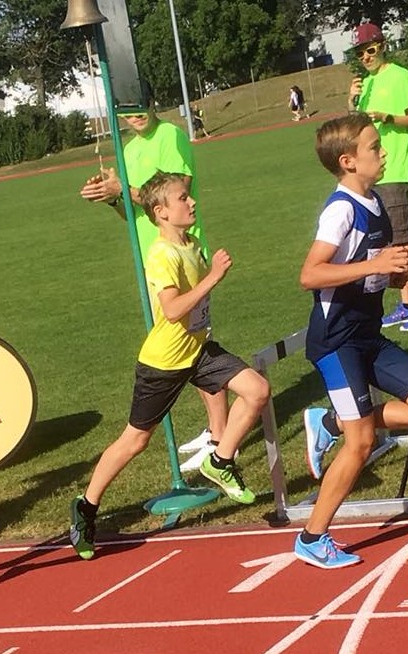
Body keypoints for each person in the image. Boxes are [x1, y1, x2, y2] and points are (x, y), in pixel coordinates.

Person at [69, 172, 270, 560]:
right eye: (183, 199)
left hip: (198, 352)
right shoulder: (162, 254)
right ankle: (86, 506)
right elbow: (174, 310)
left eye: (190, 197)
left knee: (257, 390)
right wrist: (213, 278)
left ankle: (220, 461)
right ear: (161, 212)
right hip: (163, 362)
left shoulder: (193, 244)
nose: (192, 203)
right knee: (136, 440)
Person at [297, 113, 408, 569]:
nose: (383, 154)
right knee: (361, 442)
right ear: (348, 161)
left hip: (367, 335)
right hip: (335, 341)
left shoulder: (376, 201)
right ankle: (311, 537)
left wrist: (393, 271)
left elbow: (369, 275)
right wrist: (375, 266)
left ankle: (330, 422)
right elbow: (310, 274)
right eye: (374, 148)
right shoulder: (341, 209)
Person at [79, 104, 228, 470]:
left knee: (196, 341)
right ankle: (215, 432)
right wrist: (112, 197)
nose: (134, 118)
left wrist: (124, 188)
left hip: (183, 255)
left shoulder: (169, 136)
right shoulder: (129, 150)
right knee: (183, 347)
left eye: (138, 109)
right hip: (155, 259)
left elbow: (178, 195)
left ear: (150, 103)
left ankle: (221, 438)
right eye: (125, 114)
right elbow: (138, 212)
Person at [350, 22, 408, 332]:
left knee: (405, 239)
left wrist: (387, 116)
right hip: (373, 174)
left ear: (382, 45)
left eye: (370, 50)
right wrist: (353, 101)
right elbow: (354, 128)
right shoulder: (366, 85)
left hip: (395, 168)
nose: (366, 57)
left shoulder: (399, 76)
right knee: (390, 242)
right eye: (360, 53)